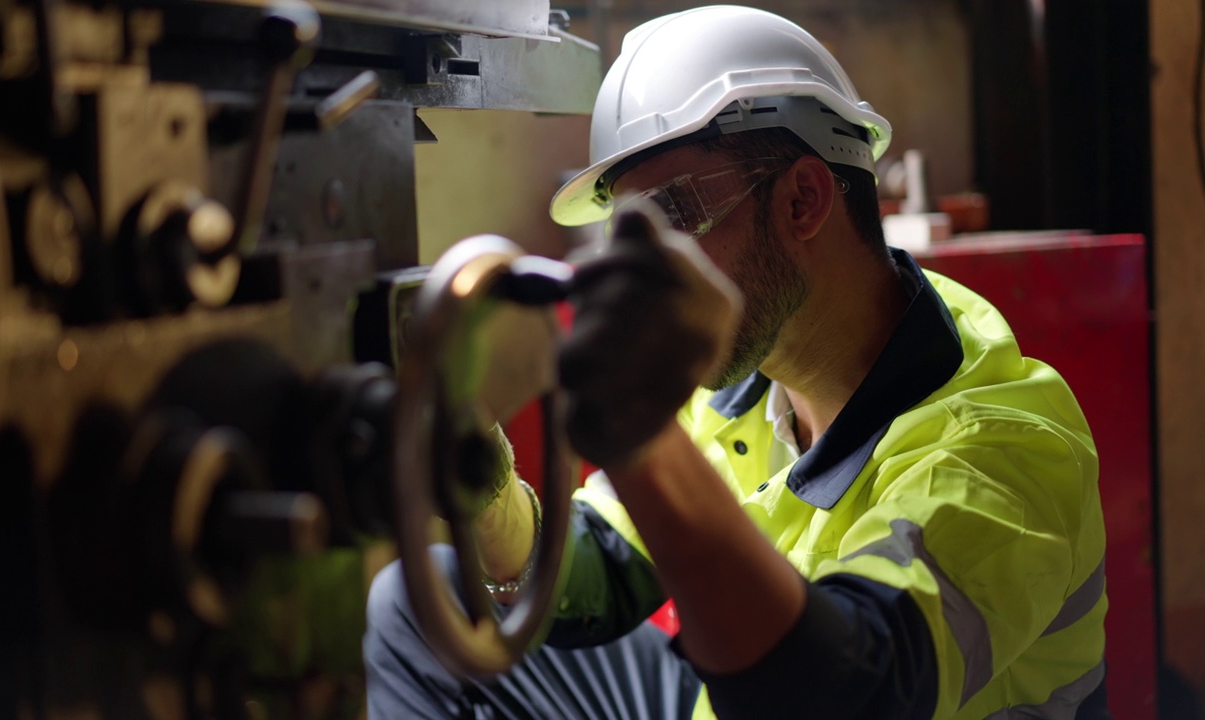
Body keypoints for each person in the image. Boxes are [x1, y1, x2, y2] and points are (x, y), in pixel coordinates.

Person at [364, 5, 1108, 719]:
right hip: (747, 687)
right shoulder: (747, 373)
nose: (651, 265)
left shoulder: (998, 450)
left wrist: (640, 433)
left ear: (802, 201)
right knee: (422, 603)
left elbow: (846, 695)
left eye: (673, 217)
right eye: (630, 233)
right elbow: (602, 570)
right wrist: (483, 490)